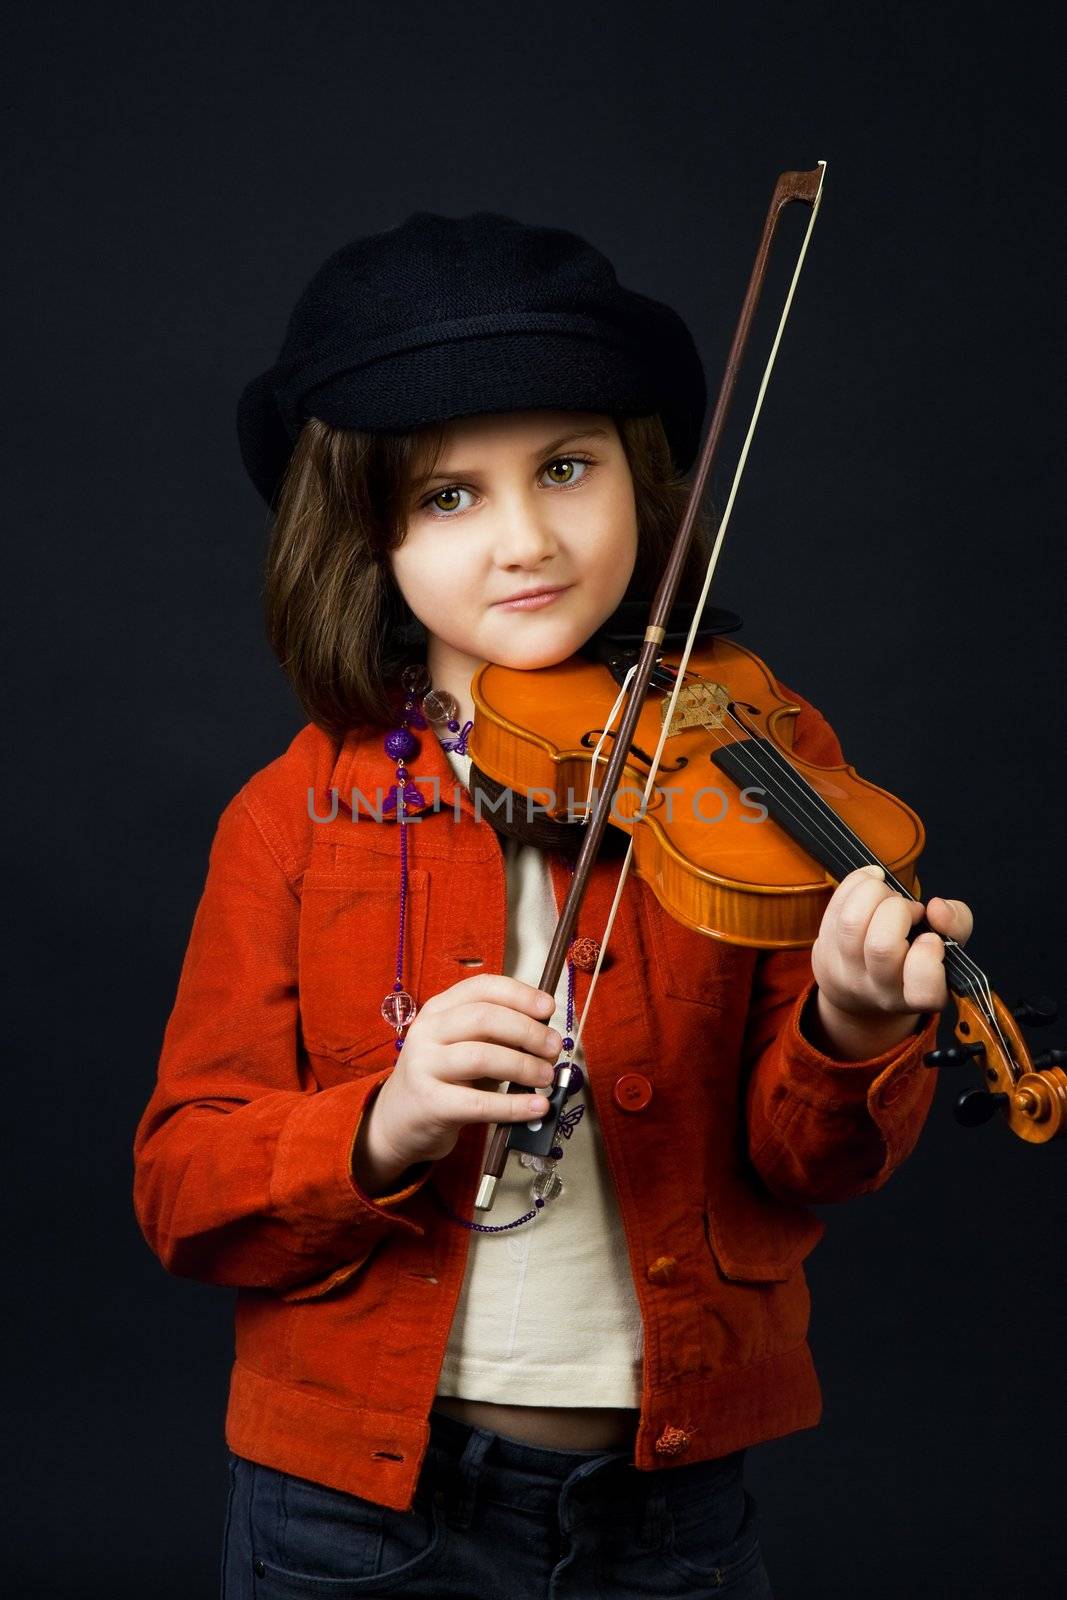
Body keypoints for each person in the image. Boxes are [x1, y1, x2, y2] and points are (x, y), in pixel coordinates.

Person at [133, 211, 973, 1599]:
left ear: (642, 480)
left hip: (670, 1508)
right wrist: (387, 1119)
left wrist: (849, 1023)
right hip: (355, 1508)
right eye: (448, 496)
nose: (526, 540)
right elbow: (182, 1190)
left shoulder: (755, 764)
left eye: (567, 468)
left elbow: (810, 1163)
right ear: (365, 544)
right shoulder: (292, 815)